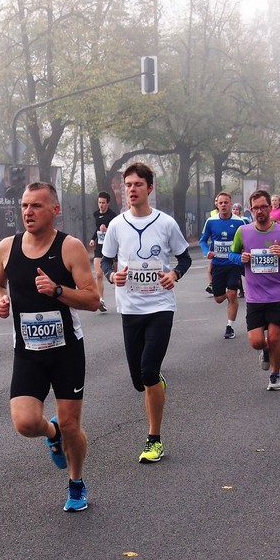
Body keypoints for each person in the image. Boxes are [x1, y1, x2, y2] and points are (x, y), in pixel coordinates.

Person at [0, 182, 100, 511]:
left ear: (55, 210)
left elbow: (93, 300)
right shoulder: (7, 247)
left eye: (36, 206)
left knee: (71, 425)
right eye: (24, 206)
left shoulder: (70, 247)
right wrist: (1, 299)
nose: (27, 212)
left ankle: (76, 482)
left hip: (66, 351)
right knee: (24, 423)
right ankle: (51, 433)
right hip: (27, 351)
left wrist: (57, 291)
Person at [100, 162, 193, 463]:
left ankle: (155, 439)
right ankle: (155, 383)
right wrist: (112, 276)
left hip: (160, 306)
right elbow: (105, 260)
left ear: (149, 188)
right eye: (127, 185)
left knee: (149, 371)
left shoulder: (166, 223)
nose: (131, 190)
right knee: (139, 381)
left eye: (137, 184)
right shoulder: (116, 225)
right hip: (130, 307)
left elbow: (184, 258)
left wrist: (174, 275)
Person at [232, 189, 280, 391]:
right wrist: (240, 258)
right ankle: (266, 350)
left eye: (263, 207)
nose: (259, 211)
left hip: (277, 293)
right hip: (254, 296)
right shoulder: (243, 232)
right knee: (256, 342)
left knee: (275, 337)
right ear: (251, 210)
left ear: (270, 207)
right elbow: (232, 255)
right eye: (255, 208)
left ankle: (275, 375)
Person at [199, 192, 244, 339]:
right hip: (218, 264)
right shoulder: (211, 222)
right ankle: (232, 295)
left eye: (226, 202)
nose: (223, 205)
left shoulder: (239, 222)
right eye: (220, 203)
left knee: (231, 293)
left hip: (233, 264)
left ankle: (230, 326)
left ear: (231, 204)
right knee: (218, 298)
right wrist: (207, 252)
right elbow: (203, 240)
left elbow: (247, 240)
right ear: (216, 205)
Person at [89, 191, 117, 313]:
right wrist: (92, 239)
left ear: (108, 203)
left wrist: (107, 230)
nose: (101, 205)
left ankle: (124, 297)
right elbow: (97, 229)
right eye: (99, 202)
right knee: (99, 274)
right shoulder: (96, 214)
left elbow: (116, 231)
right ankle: (101, 300)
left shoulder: (113, 216)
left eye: (103, 203)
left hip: (111, 247)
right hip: (100, 248)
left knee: (116, 275)